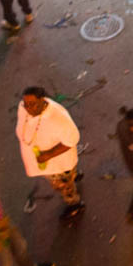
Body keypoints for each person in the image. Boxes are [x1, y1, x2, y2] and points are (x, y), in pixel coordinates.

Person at [16, 86, 85, 220]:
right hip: (43, 161)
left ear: (42, 100)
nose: (28, 108)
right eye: (26, 104)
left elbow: (72, 139)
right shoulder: (23, 108)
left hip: (58, 166)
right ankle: (74, 176)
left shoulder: (58, 118)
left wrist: (47, 155)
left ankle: (74, 205)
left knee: (64, 186)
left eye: (32, 104)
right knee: (67, 180)